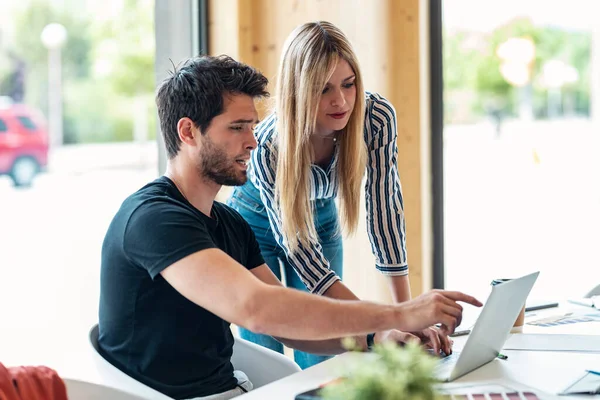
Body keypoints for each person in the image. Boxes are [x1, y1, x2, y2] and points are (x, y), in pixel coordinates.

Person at [98, 54, 481, 400]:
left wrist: (376, 337)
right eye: (237, 128)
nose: (252, 141)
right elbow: (258, 309)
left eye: (253, 126)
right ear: (188, 132)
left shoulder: (227, 222)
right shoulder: (152, 217)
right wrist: (398, 314)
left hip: (235, 389)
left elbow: (288, 326)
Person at [227, 21, 424, 368]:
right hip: (254, 223)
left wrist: (405, 314)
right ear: (298, 91)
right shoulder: (269, 146)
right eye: (322, 89)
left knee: (326, 346)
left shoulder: (375, 119)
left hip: (319, 215)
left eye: (349, 85)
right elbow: (306, 260)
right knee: (266, 353)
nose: (341, 101)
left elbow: (385, 216)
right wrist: (384, 324)